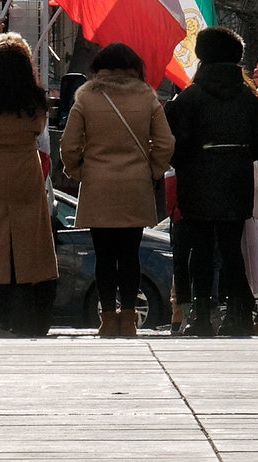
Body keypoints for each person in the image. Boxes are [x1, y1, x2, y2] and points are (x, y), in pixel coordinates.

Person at [164, 27, 258, 337]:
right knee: (230, 247)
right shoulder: (248, 97)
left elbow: (175, 145)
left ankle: (201, 315)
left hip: (196, 180)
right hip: (236, 178)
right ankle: (239, 313)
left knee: (200, 249)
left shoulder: (190, 97)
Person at [61, 41, 175, 336]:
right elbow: (165, 143)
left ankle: (107, 319)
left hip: (98, 184)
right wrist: (153, 169)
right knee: (130, 254)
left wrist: (78, 171)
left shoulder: (85, 97)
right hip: (135, 185)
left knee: (103, 255)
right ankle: (128, 318)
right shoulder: (147, 97)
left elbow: (69, 144)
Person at [0, 34, 58, 338]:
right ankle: (25, 319)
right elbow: (39, 129)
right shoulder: (34, 99)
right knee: (26, 249)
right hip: (24, 172)